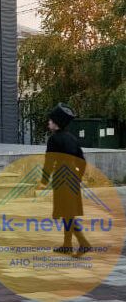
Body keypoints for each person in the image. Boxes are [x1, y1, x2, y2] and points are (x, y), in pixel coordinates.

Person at [41, 103, 91, 256]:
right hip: (72, 178)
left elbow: (49, 162)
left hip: (61, 178)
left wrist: (43, 181)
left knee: (67, 213)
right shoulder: (72, 138)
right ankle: (67, 245)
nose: (49, 122)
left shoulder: (53, 139)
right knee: (67, 212)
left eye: (50, 120)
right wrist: (78, 178)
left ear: (56, 123)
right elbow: (82, 162)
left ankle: (83, 243)